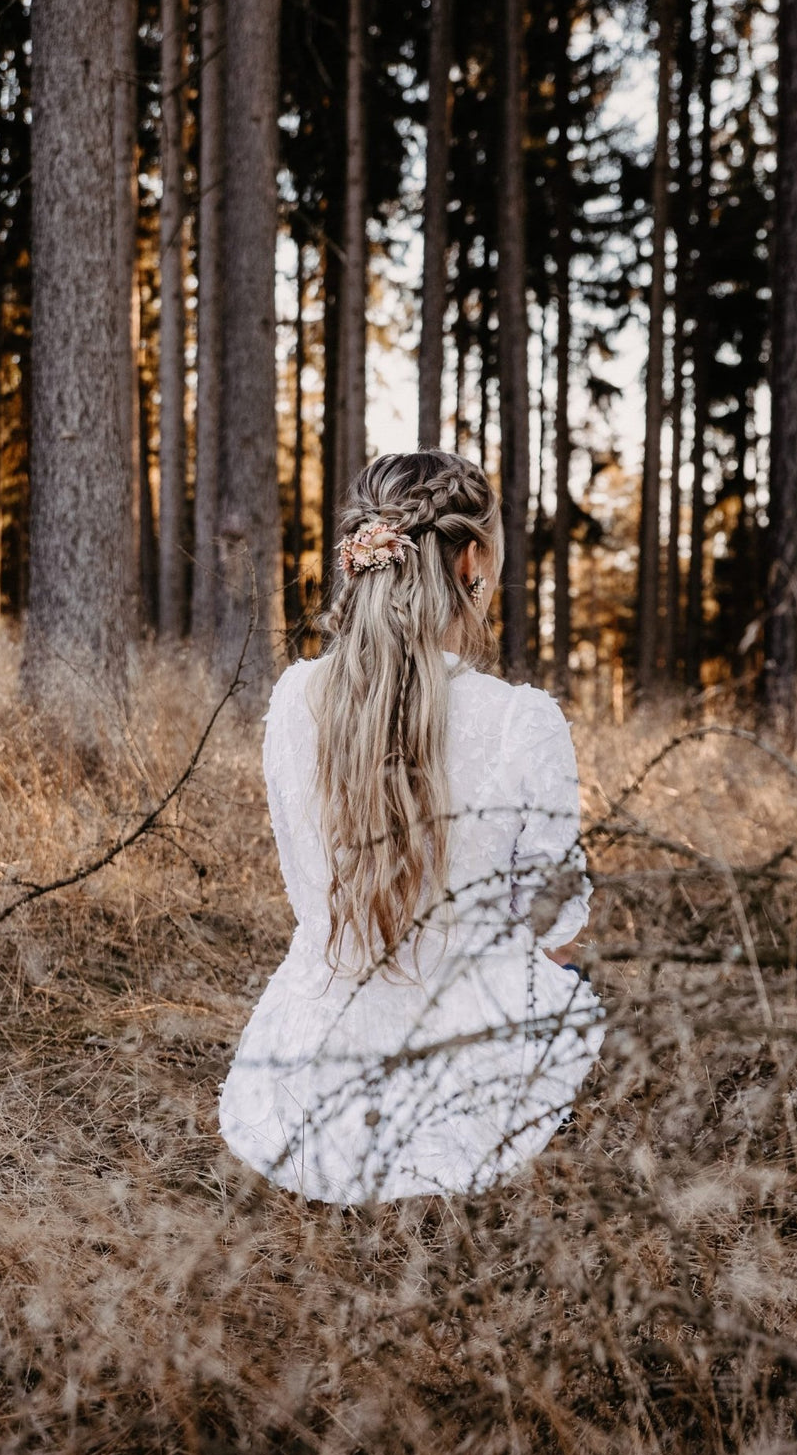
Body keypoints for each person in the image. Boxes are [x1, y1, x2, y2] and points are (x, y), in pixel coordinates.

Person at [218, 450, 604, 1205]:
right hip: (464, 1071)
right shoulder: (523, 721)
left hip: (301, 1075)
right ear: (470, 562)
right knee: (571, 984)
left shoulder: (296, 696)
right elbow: (559, 923)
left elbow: (307, 892)